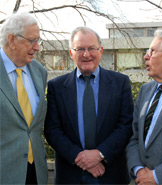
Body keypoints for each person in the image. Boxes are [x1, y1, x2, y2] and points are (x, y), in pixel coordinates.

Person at [44, 26, 134, 185]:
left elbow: (126, 125)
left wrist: (100, 155)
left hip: (111, 174)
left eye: (91, 48)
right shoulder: (56, 87)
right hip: (70, 175)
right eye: (80, 49)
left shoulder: (120, 82)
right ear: (71, 53)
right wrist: (81, 158)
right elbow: (52, 129)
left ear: (101, 51)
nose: (86, 54)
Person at [126, 29, 162, 185]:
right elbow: (134, 137)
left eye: (151, 51)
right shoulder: (146, 90)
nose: (146, 56)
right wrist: (138, 169)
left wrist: (158, 177)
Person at [0, 12, 48, 184]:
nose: (37, 47)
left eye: (38, 41)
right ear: (12, 40)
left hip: (36, 173)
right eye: (31, 40)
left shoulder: (40, 72)